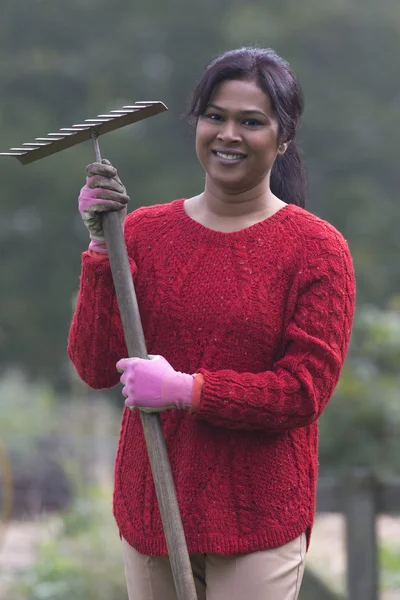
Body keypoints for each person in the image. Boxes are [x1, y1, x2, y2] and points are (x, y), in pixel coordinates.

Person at [68, 47, 356, 600]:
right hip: (154, 504)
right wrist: (102, 249)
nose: (229, 134)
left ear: (284, 137)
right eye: (215, 116)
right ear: (197, 123)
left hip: (258, 515)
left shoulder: (317, 250)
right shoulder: (145, 233)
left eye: (251, 121)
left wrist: (187, 391)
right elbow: (95, 366)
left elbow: (303, 393)